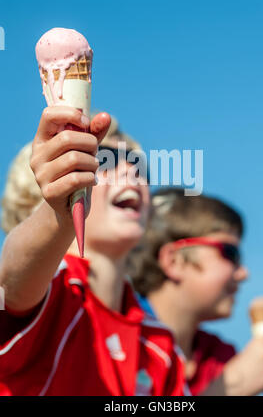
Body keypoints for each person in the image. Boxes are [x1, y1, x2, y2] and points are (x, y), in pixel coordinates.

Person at [0, 108, 186, 396]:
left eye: (140, 166)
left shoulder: (160, 343)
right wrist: (61, 213)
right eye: (105, 160)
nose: (130, 171)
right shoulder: (51, 290)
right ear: (38, 192)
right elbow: (8, 285)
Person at [127, 187, 263, 396]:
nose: (243, 273)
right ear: (174, 261)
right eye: (230, 253)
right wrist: (228, 389)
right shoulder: (118, 340)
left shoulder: (219, 356)